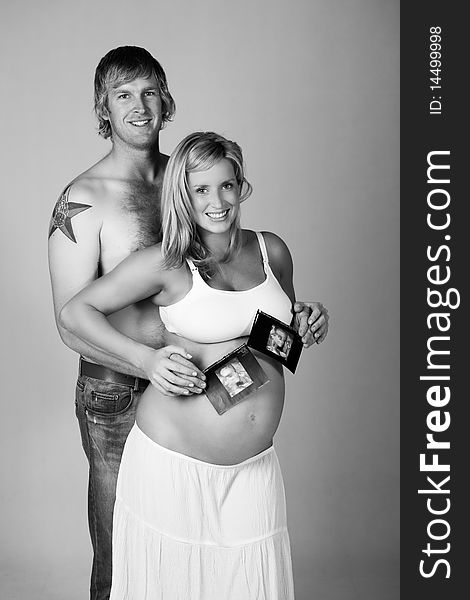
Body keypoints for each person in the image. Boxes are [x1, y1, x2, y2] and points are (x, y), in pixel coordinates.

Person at [48, 46, 329, 600]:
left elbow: (260, 312)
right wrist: (150, 364)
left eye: (150, 91)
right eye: (123, 95)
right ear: (102, 107)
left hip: (211, 393)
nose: (139, 106)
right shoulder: (83, 200)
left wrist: (296, 319)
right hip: (120, 390)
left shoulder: (193, 176)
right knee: (125, 559)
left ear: (166, 99)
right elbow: (70, 321)